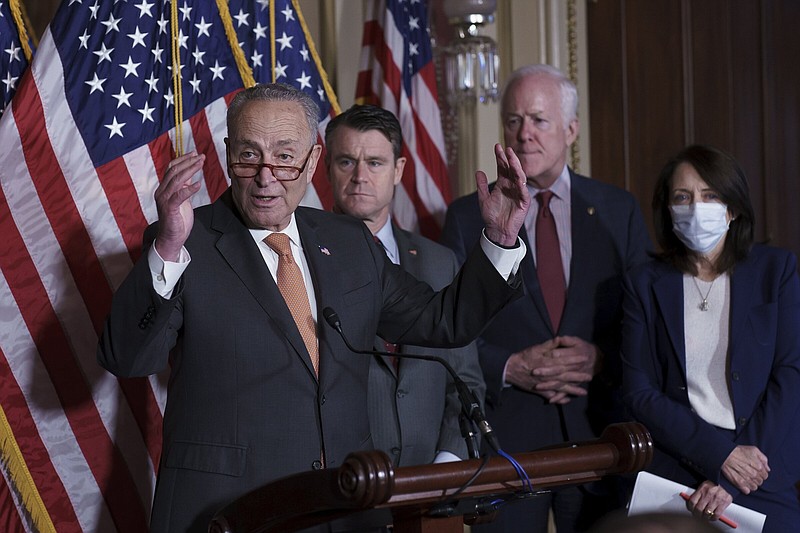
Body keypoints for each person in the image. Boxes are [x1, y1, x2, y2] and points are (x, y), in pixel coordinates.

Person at [97, 83, 531, 532]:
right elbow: (126, 358)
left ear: (312, 160)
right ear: (228, 155)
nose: (266, 177)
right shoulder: (184, 240)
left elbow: (445, 321)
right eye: (249, 156)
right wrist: (168, 245)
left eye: (285, 157)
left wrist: (499, 241)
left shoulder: (349, 242)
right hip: (227, 512)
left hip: (342, 508)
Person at [440, 64, 651, 532]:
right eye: (513, 120)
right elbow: (450, 326)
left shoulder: (619, 211)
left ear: (571, 129)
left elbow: (646, 325)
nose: (524, 134)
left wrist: (600, 359)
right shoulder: (465, 217)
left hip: (599, 433)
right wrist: (509, 367)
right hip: (507, 441)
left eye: (539, 120)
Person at [621, 144, 800, 532]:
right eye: (682, 197)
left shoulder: (777, 270)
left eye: (710, 195)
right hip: (679, 467)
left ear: (732, 208)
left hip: (761, 468)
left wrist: (738, 466)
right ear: (668, 210)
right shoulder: (644, 282)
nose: (695, 207)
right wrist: (719, 455)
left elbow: (790, 371)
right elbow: (639, 391)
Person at [325, 104, 486, 466]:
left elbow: (466, 382)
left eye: (376, 163)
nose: (360, 176)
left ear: (398, 170)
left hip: (431, 484)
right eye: (347, 162)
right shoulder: (302, 258)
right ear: (326, 168)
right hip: (342, 482)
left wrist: (447, 462)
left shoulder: (439, 261)